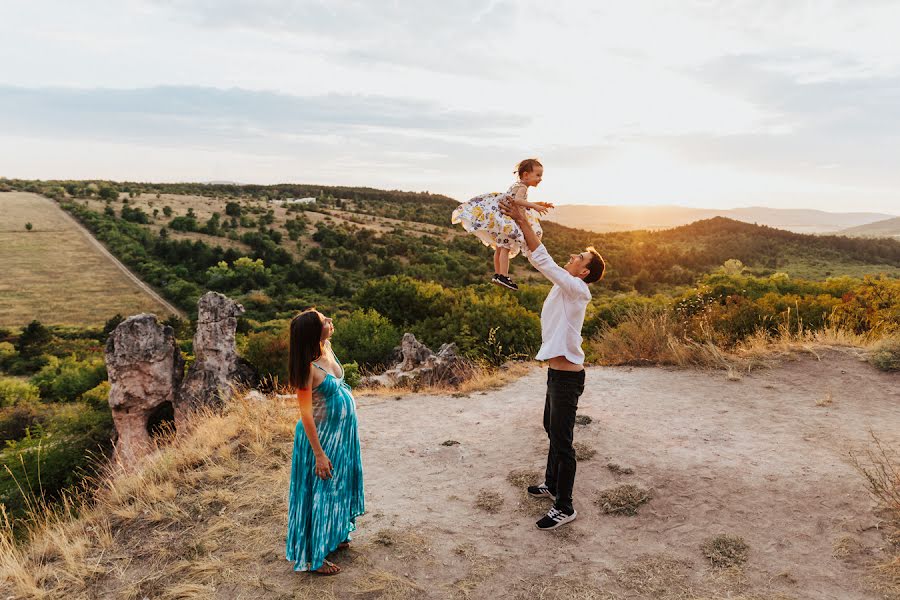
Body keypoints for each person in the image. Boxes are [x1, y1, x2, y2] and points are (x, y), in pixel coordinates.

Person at [500, 198, 606, 530]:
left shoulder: (578, 291)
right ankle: (551, 484)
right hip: (555, 375)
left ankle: (565, 505)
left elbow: (543, 258)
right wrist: (518, 224)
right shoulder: (565, 286)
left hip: (567, 379)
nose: (573, 256)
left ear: (584, 271)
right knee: (551, 430)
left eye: (580, 257)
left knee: (563, 442)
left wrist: (522, 216)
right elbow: (536, 257)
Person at [286, 309, 364, 575]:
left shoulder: (326, 347)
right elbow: (305, 414)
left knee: (339, 484)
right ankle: (314, 557)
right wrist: (319, 454)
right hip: (320, 438)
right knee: (322, 492)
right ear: (313, 332)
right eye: (324, 321)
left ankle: (338, 532)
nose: (330, 322)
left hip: (342, 435)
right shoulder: (306, 368)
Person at [451, 158, 554, 290]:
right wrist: (534, 206)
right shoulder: (522, 187)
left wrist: (538, 204)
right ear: (526, 175)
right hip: (508, 221)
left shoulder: (517, 185)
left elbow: (519, 200)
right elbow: (517, 200)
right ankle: (504, 276)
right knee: (505, 247)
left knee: (500, 247)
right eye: (538, 175)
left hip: (502, 220)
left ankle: (498, 274)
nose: (540, 179)